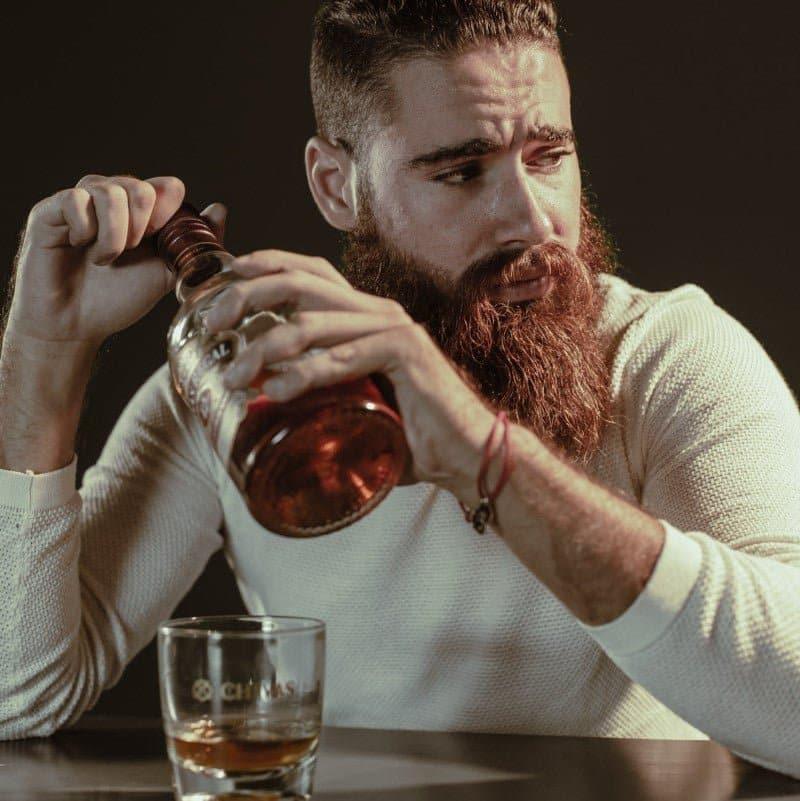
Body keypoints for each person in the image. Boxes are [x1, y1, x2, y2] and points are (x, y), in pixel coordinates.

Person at [1, 0, 799, 780]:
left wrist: (483, 457)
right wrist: (44, 354)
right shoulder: (250, 391)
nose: (532, 221)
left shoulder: (667, 354)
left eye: (548, 156)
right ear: (336, 185)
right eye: (460, 171)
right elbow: (19, 698)